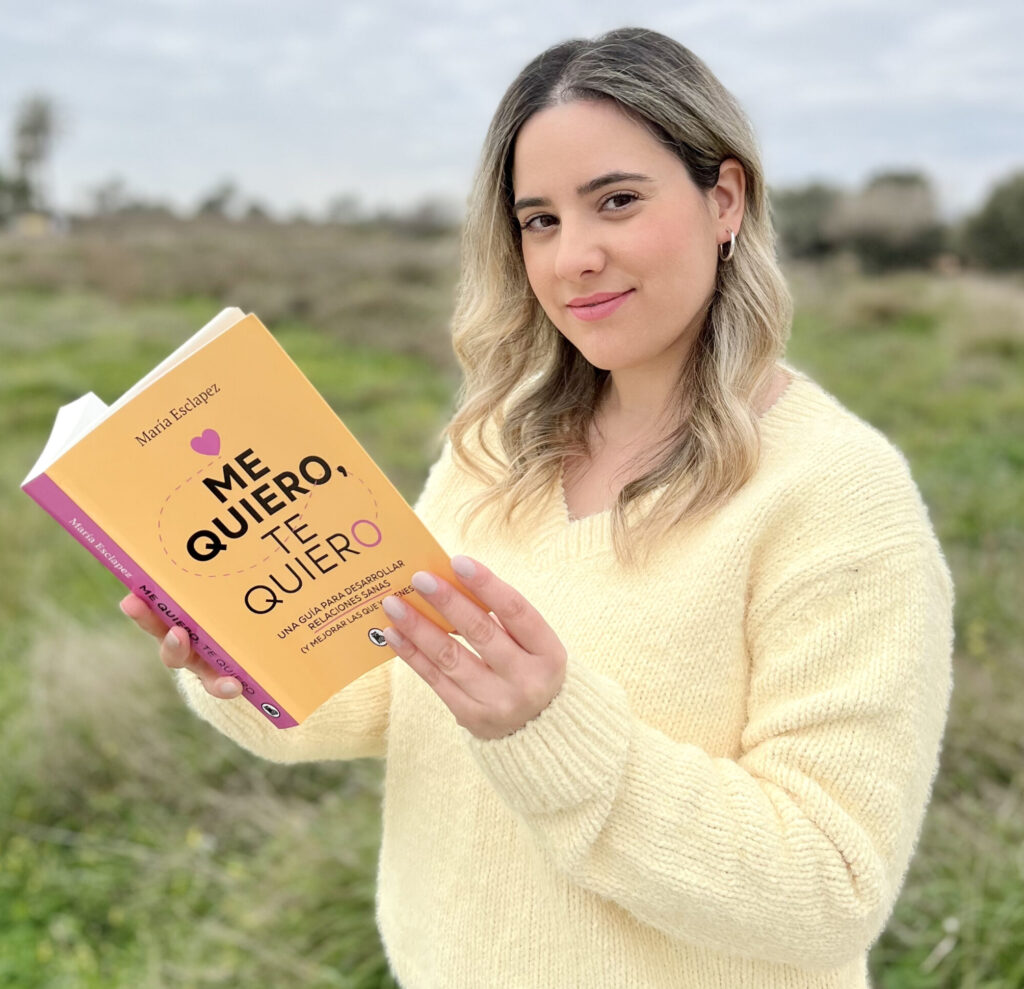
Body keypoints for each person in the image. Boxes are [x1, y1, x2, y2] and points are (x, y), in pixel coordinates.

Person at [121, 26, 953, 988]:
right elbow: (388, 694)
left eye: (617, 201)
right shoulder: (495, 448)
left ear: (724, 198)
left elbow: (831, 884)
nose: (573, 258)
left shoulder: (837, 495)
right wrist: (246, 653)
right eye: (540, 220)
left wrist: (548, 729)